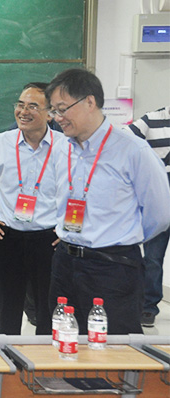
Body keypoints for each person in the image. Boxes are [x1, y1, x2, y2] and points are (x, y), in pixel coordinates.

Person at [46, 68, 170, 335]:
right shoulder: (60, 148)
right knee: (62, 340)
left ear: (90, 102)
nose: (57, 118)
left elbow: (160, 215)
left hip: (112, 268)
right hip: (65, 263)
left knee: (113, 347)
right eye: (54, 111)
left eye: (62, 109)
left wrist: (120, 239)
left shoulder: (133, 150)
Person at [0, 82, 64, 335]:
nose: (23, 112)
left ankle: (46, 358)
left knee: (49, 312)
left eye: (33, 106)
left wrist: (70, 230)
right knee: (7, 311)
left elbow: (81, 192)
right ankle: (7, 356)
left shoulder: (65, 146)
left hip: (49, 240)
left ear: (50, 113)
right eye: (20, 105)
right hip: (8, 237)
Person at [123, 105, 170, 327]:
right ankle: (148, 307)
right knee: (153, 257)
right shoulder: (151, 119)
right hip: (160, 194)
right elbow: (123, 139)